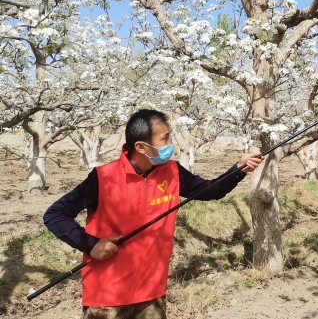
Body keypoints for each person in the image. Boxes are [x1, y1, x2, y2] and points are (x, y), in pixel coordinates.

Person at [43, 109, 263, 319]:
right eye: (165, 139)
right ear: (141, 146)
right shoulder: (104, 178)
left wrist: (238, 169)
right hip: (107, 296)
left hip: (152, 292)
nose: (170, 145)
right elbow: (55, 215)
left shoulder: (173, 172)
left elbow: (211, 191)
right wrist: (90, 244)